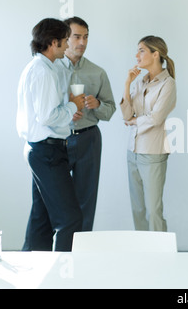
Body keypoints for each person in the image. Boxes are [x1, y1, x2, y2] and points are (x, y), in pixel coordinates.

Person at [17, 18, 85, 251]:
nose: (68, 46)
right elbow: (47, 117)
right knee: (70, 219)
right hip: (48, 151)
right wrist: (74, 105)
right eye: (66, 41)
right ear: (53, 42)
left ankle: (35, 269)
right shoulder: (43, 72)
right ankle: (64, 275)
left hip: (40, 149)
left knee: (42, 217)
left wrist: (68, 108)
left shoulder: (38, 67)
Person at [55, 17, 116, 231]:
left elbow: (110, 110)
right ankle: (53, 254)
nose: (82, 42)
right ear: (65, 38)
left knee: (86, 202)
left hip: (88, 139)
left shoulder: (97, 72)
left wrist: (97, 104)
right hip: (57, 140)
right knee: (53, 201)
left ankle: (81, 253)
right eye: (77, 37)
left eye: (86, 37)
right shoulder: (50, 69)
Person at [121, 36, 176, 231]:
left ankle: (161, 254)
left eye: (141, 50)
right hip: (132, 151)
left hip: (153, 152)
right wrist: (128, 84)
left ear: (155, 54)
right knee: (138, 209)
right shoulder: (140, 82)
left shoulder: (167, 84)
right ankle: (143, 252)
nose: (137, 55)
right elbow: (127, 115)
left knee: (153, 210)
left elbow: (156, 118)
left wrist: (135, 121)